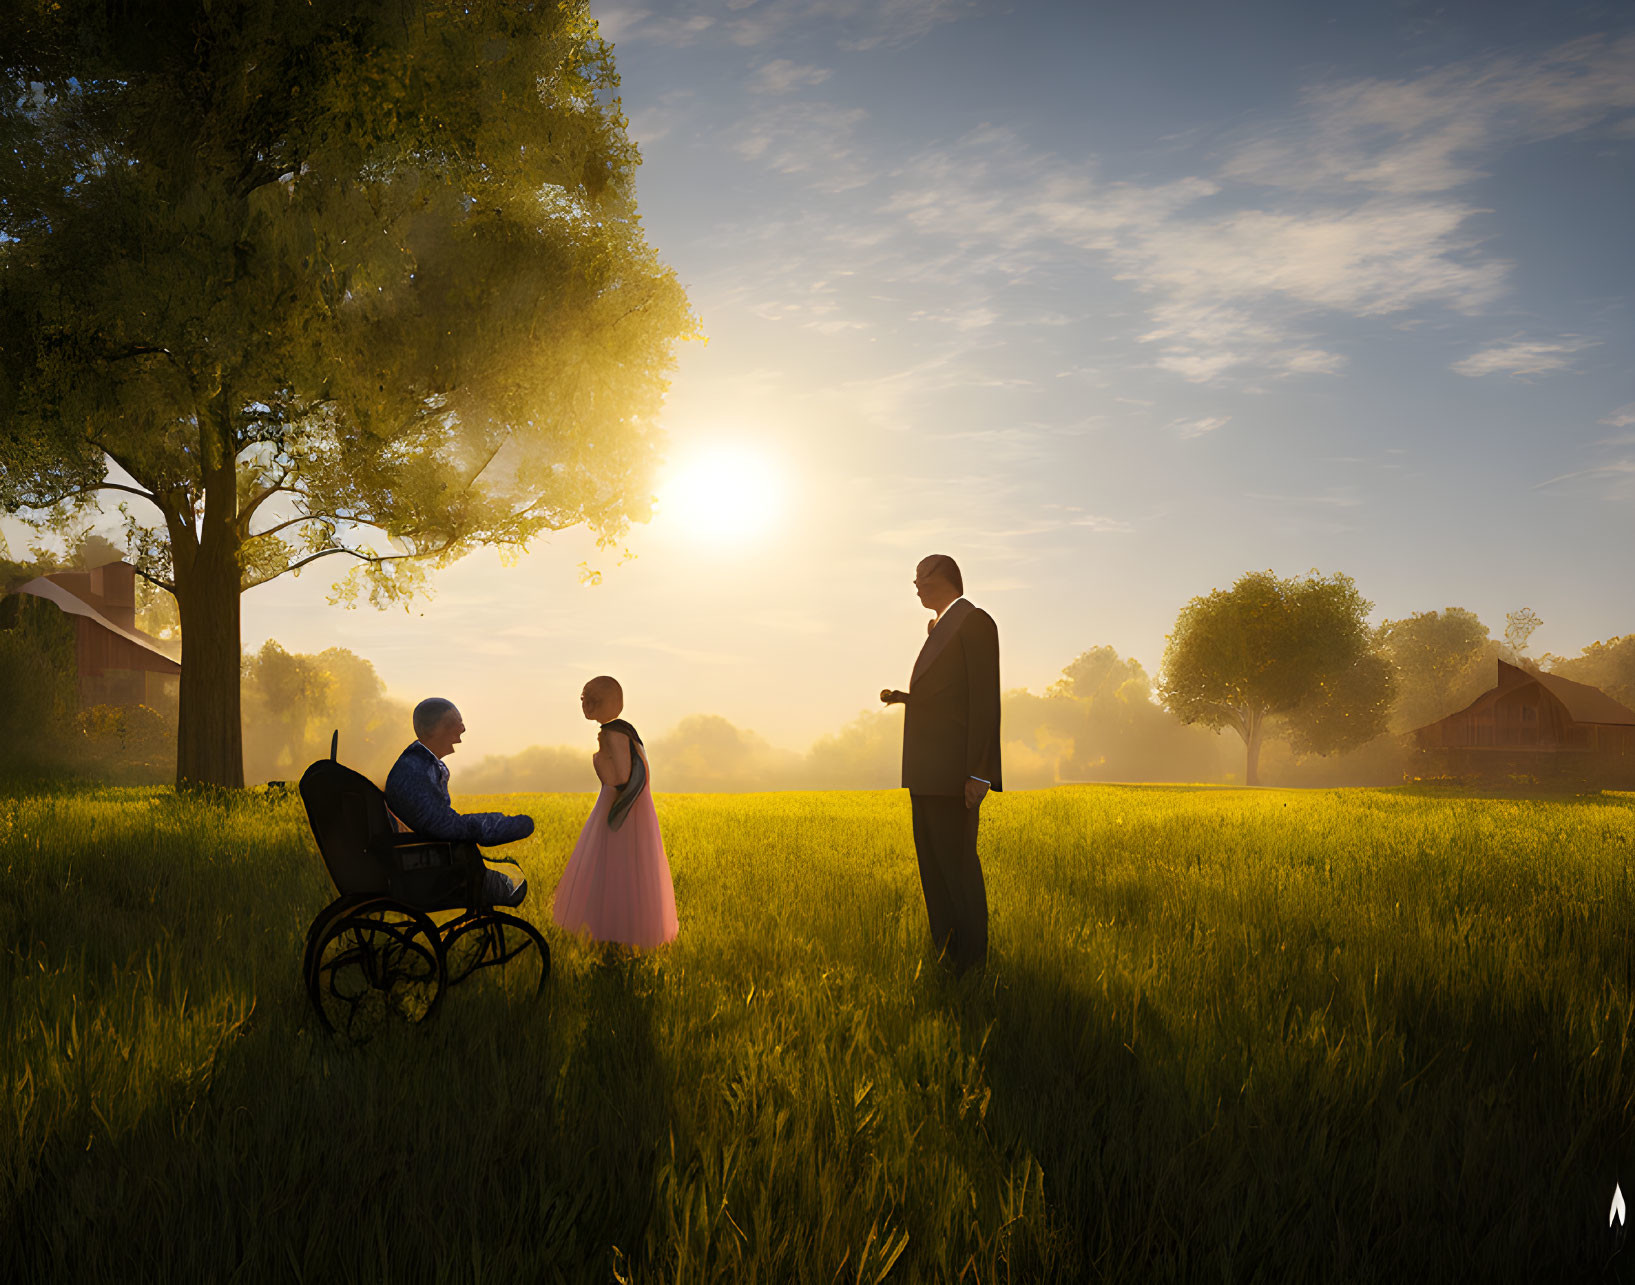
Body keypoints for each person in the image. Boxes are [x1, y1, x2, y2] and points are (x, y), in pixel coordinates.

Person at [880, 554, 1002, 973]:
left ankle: (973, 961)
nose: (916, 586)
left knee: (957, 867)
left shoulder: (974, 621)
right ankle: (947, 954)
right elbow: (945, 697)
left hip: (954, 774)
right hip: (927, 771)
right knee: (933, 868)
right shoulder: (939, 627)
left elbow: (984, 701)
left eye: (922, 578)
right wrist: (905, 698)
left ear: (947, 579)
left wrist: (979, 772)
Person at [552, 675, 678, 949]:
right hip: (632, 810)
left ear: (599, 702)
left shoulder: (612, 734)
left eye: (586, 697)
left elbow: (619, 778)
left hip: (617, 810)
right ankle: (622, 933)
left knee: (613, 866)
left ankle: (613, 933)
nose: (582, 701)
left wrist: (597, 759)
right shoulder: (628, 731)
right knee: (626, 868)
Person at [384, 697, 533, 908]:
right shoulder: (414, 770)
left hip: (430, 862)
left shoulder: (418, 765)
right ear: (429, 730)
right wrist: (505, 826)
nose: (461, 732)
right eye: (452, 724)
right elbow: (443, 825)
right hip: (430, 872)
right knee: (508, 887)